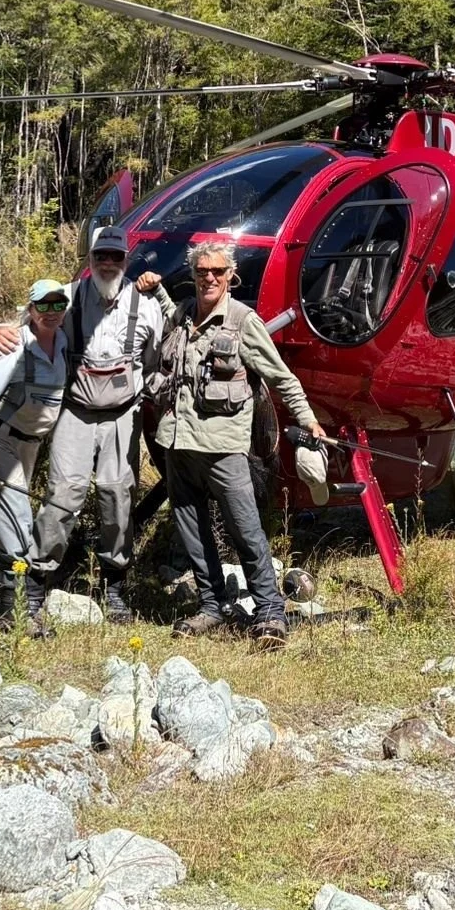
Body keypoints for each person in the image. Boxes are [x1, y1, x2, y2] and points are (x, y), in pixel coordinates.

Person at [0, 226, 169, 623]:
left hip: (124, 413)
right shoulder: (66, 298)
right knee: (63, 494)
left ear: (127, 260)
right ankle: (37, 579)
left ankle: (114, 581)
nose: (108, 263)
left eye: (116, 257)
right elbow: (26, 328)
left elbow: (159, 359)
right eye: (100, 256)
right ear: (89, 260)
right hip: (74, 410)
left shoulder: (147, 304)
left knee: (118, 493)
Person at [159, 236, 328, 650]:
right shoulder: (180, 315)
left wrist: (308, 419)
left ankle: (270, 612)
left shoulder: (243, 321)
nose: (209, 278)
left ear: (231, 275)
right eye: (202, 272)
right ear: (193, 276)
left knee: (246, 530)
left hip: (224, 447)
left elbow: (281, 377)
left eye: (218, 271)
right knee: (193, 532)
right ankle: (212, 606)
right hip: (179, 445)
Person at [0, 278, 71, 630]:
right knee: (20, 524)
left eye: (58, 305)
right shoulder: (12, 348)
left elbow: (89, 281)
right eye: (43, 305)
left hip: (31, 444)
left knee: (6, 520)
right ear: (31, 309)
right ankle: (16, 614)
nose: (51, 312)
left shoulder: (64, 341)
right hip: (0, 442)